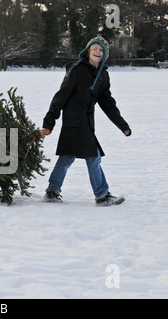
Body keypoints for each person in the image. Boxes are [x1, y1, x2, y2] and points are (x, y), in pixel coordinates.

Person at [41, 36, 131, 206]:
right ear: (88, 51)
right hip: (74, 121)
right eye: (94, 48)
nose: (97, 51)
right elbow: (60, 97)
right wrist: (49, 121)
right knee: (93, 156)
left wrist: (122, 125)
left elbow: (108, 103)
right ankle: (102, 195)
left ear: (105, 54)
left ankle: (52, 192)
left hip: (87, 122)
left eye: (101, 50)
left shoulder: (103, 76)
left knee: (67, 157)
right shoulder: (76, 70)